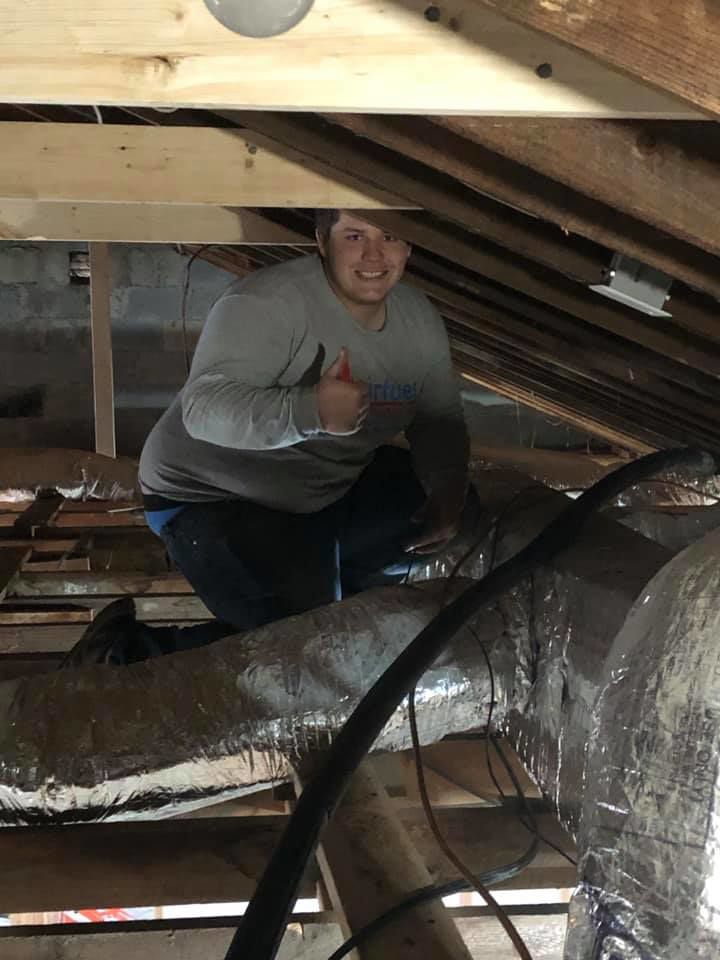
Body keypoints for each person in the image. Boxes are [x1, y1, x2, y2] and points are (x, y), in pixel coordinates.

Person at [63, 210, 471, 667]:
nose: (373, 254)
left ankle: (331, 600)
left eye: (390, 236)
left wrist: (447, 488)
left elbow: (438, 420)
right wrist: (311, 410)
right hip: (214, 497)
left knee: (461, 511)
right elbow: (204, 411)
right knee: (312, 655)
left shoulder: (418, 320)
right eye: (355, 236)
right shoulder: (268, 303)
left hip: (325, 490)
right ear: (322, 242)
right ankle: (122, 655)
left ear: (409, 246)